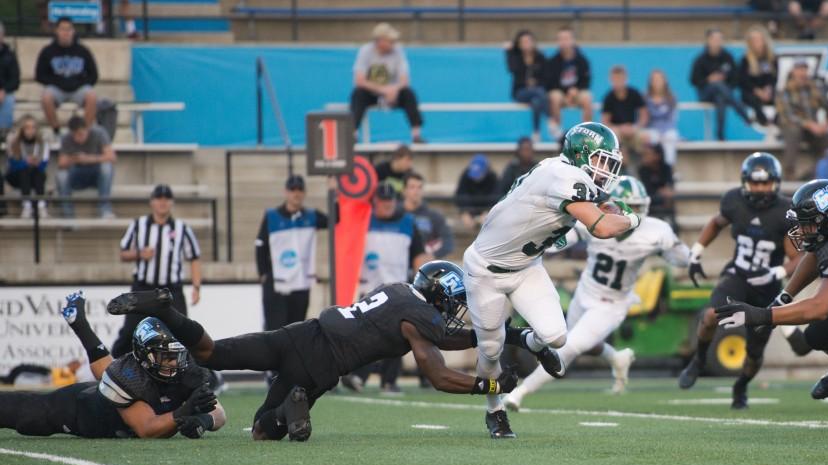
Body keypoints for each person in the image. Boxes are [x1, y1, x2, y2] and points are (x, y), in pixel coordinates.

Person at [106, 261, 526, 441]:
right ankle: (292, 406)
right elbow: (436, 375)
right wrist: (489, 383)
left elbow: (434, 337)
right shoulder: (421, 321)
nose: (453, 316)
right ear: (438, 297)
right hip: (322, 366)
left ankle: (166, 309)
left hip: (300, 334)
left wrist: (484, 336)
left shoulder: (396, 292)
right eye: (451, 306)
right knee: (263, 432)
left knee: (212, 352)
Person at [464, 121, 641, 438]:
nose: (606, 169)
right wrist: (632, 217)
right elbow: (601, 226)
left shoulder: (562, 169)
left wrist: (614, 207)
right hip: (485, 272)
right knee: (490, 353)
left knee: (558, 338)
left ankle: (529, 340)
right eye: (601, 160)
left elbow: (598, 202)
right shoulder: (563, 176)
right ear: (581, 154)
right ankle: (495, 411)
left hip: (527, 266)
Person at [716, 180, 828, 432]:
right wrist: (784, 297)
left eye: (807, 223)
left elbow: (819, 307)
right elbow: (813, 257)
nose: (801, 231)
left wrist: (761, 315)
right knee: (817, 335)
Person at [503, 176, 690, 409]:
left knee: (569, 347)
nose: (634, 213)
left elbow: (681, 258)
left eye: (638, 207)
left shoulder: (656, 231)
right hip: (585, 291)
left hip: (612, 303)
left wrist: (679, 253)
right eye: (629, 207)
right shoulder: (594, 220)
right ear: (612, 205)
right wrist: (543, 243)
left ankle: (519, 394)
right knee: (572, 342)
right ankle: (616, 357)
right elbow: (560, 241)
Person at [0, 291, 224, 439]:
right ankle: (80, 325)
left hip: (111, 404)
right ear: (146, 357)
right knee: (29, 416)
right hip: (81, 410)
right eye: (164, 356)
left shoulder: (184, 369)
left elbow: (219, 412)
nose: (173, 361)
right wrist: (184, 411)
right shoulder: (129, 376)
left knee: (106, 369)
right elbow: (147, 428)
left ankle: (79, 324)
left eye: (174, 354)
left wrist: (204, 419)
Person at [681, 152, 801, 409]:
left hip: (767, 286)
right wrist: (696, 252)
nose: (760, 189)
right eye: (755, 183)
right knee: (711, 315)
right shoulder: (734, 200)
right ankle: (699, 359)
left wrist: (776, 273)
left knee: (755, 353)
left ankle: (741, 386)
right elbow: (716, 223)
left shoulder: (784, 211)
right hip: (738, 274)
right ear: (746, 182)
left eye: (765, 183)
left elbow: (797, 258)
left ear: (776, 183)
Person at [353, 181, 432, 394]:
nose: (387, 205)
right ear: (375, 202)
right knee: (365, 337)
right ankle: (358, 376)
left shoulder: (408, 222)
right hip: (368, 287)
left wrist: (423, 284)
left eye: (390, 201)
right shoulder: (363, 221)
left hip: (396, 289)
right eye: (383, 201)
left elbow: (418, 255)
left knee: (397, 336)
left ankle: (389, 380)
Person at [111, 184, 202, 358]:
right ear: (152, 202)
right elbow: (123, 253)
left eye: (166, 199)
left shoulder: (182, 228)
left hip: (171, 290)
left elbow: (194, 257)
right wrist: (139, 253)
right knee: (129, 331)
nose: (162, 202)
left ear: (171, 202)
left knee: (183, 332)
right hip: (143, 287)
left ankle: (191, 372)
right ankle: (113, 366)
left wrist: (196, 287)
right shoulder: (139, 225)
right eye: (159, 199)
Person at [255, 174, 329, 333]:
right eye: (293, 189)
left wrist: (333, 191)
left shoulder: (311, 216)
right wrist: (263, 273)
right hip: (278, 284)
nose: (296, 193)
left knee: (296, 331)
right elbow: (260, 245)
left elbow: (335, 219)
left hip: (300, 283)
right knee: (274, 331)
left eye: (300, 190)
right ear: (286, 192)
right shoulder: (272, 216)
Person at [350, 23, 423, 143]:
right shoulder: (365, 51)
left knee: (409, 94)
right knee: (358, 94)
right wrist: (382, 90)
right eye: (390, 40)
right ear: (380, 41)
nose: (393, 43)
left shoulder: (398, 51)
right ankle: (353, 134)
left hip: (394, 92)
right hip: (371, 93)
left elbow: (405, 80)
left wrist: (393, 90)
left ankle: (416, 135)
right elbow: (359, 80)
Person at [35, 17, 98, 132]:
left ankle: (85, 132)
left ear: (73, 31)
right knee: (46, 97)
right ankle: (56, 130)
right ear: (56, 31)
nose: (66, 33)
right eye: (63, 29)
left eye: (69, 29)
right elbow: (40, 75)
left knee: (92, 96)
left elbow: (93, 75)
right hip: (57, 88)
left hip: (78, 88)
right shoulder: (47, 51)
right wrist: (58, 82)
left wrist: (78, 82)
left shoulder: (83, 51)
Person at [776, 59, 828, 179]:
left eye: (804, 69)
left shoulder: (815, 88)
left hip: (812, 127)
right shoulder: (785, 90)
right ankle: (789, 172)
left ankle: (818, 172)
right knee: (793, 132)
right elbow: (788, 115)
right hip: (792, 126)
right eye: (799, 70)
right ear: (793, 72)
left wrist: (825, 124)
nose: (802, 73)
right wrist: (810, 125)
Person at [690, 28, 751, 140]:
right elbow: (694, 81)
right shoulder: (700, 59)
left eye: (719, 39)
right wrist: (709, 79)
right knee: (717, 84)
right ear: (708, 40)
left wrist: (724, 81)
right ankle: (743, 113)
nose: (717, 41)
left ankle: (720, 135)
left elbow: (735, 79)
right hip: (705, 93)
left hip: (723, 94)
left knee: (720, 97)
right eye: (714, 39)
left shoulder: (728, 57)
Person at [56, 115, 115, 218]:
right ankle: (68, 217)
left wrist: (88, 159)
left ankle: (104, 210)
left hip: (96, 175)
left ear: (87, 129)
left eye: (81, 134)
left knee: (107, 168)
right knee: (61, 176)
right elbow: (61, 163)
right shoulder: (66, 138)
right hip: (76, 174)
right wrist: (74, 159)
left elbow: (111, 157)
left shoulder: (99, 133)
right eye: (75, 135)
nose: (78, 138)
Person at [545, 26, 593, 138]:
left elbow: (586, 81)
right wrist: (565, 94)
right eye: (561, 39)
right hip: (561, 95)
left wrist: (576, 90)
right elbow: (550, 83)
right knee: (554, 96)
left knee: (587, 97)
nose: (564, 42)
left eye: (566, 38)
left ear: (573, 40)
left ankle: (587, 133)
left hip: (577, 94)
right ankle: (558, 133)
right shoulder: (552, 61)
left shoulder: (582, 60)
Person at [506, 30, 547, 142]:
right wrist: (509, 52)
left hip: (537, 93)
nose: (526, 44)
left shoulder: (540, 57)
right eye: (523, 42)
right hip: (520, 92)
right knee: (540, 92)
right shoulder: (515, 57)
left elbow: (545, 77)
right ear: (519, 44)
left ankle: (536, 132)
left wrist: (535, 82)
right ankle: (551, 120)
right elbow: (512, 69)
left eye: (528, 41)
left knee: (537, 101)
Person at [601, 65, 647, 163]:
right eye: (615, 79)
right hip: (617, 130)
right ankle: (622, 163)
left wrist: (635, 127)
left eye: (620, 79)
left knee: (645, 137)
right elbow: (605, 122)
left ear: (625, 78)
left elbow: (644, 116)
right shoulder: (609, 97)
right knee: (614, 136)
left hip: (633, 129)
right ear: (611, 80)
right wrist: (621, 128)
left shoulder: (634, 94)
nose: (618, 82)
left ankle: (643, 166)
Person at [6, 116, 49, 218]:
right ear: (22, 129)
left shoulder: (42, 142)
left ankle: (41, 206)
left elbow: (44, 164)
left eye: (33, 127)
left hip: (35, 174)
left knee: (38, 173)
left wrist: (35, 163)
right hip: (16, 176)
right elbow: (13, 165)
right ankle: (27, 206)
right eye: (27, 127)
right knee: (24, 171)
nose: (30, 131)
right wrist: (26, 162)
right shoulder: (14, 141)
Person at [403, 173, 453, 259]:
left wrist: (433, 255)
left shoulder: (434, 217)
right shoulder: (395, 214)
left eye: (420, 187)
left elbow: (448, 242)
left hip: (423, 266)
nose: (416, 191)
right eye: (412, 187)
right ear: (404, 190)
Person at [738, 26, 777, 126]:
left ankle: (777, 122)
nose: (757, 43)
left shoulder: (771, 58)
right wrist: (757, 91)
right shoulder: (745, 60)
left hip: (767, 90)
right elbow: (743, 81)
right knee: (752, 99)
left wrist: (768, 89)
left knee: (780, 98)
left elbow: (773, 78)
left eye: (759, 39)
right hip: (751, 91)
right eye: (754, 40)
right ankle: (763, 121)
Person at [642, 69, 679, 166]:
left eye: (659, 79)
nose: (657, 82)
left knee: (670, 137)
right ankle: (649, 168)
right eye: (654, 80)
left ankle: (668, 169)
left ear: (664, 81)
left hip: (667, 130)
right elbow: (644, 119)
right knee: (648, 137)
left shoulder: (671, 98)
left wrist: (662, 133)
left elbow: (672, 120)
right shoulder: (645, 98)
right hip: (651, 130)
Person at [455, 153, 498, 229]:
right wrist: (465, 212)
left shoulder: (493, 178)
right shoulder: (466, 175)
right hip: (469, 211)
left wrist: (488, 212)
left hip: (486, 212)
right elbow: (460, 194)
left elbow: (496, 197)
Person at [638, 143, 675, 220]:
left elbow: (669, 184)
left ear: (657, 156)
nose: (645, 157)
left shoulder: (666, 167)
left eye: (648, 154)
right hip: (649, 201)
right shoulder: (642, 170)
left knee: (669, 198)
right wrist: (660, 191)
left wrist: (667, 190)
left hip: (664, 200)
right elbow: (646, 189)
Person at [0, 22, 20, 135]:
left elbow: (15, 80)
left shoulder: (10, 56)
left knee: (8, 100)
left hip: (5, 93)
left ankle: (4, 134)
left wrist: (4, 90)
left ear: (2, 36)